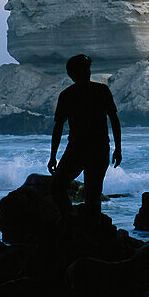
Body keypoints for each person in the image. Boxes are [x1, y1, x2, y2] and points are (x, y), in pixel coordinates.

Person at [47, 54, 121, 221]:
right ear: (73, 73)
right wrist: (118, 148)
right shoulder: (97, 91)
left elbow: (58, 127)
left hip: (86, 149)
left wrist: (118, 148)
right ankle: (75, 222)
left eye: (88, 69)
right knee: (87, 195)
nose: (88, 72)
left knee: (77, 192)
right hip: (88, 149)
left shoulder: (70, 94)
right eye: (84, 69)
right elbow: (114, 120)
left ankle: (74, 223)